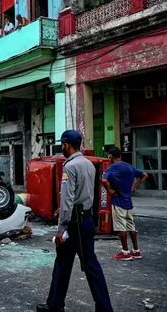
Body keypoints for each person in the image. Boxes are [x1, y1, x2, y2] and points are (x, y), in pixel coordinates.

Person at [37, 130, 113, 312]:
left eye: (62, 144)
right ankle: (102, 308)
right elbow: (84, 194)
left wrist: (61, 229)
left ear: (66, 145)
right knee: (88, 266)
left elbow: (68, 198)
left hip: (73, 223)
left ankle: (55, 305)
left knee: (66, 265)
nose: (61, 147)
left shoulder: (69, 167)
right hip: (86, 219)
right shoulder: (88, 164)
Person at [102, 147, 148, 261]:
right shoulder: (129, 167)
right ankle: (136, 251)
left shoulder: (112, 168)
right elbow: (144, 175)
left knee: (121, 227)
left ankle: (125, 252)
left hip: (118, 201)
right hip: (129, 202)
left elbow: (103, 180)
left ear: (110, 157)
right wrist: (135, 185)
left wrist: (109, 190)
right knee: (131, 226)